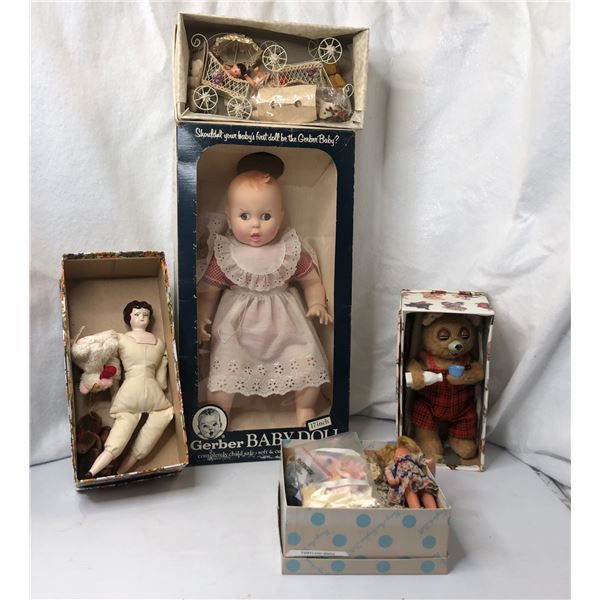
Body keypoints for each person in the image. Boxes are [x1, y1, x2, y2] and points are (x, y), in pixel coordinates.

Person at [197, 170, 332, 427]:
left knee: (305, 361)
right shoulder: (225, 254)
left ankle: (305, 408)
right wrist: (202, 316)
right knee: (226, 369)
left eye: (266, 216)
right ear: (228, 216)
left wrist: (316, 303)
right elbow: (208, 292)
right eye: (244, 216)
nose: (255, 225)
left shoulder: (289, 250)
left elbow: (312, 281)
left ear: (280, 216)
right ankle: (219, 413)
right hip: (237, 330)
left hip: (287, 328)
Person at [83, 301, 173, 477]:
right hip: (150, 390)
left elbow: (161, 381)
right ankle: (111, 469)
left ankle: (98, 472)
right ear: (128, 318)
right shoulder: (157, 343)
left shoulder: (124, 339)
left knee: (123, 429)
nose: (142, 318)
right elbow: (162, 383)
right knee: (165, 412)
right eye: (137, 314)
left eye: (145, 315)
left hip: (131, 390)